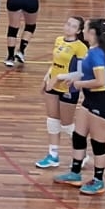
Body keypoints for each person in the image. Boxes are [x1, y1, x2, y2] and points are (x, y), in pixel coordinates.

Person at [53, 18, 105, 195]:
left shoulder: (97, 54)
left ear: (91, 33)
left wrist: (79, 85)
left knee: (98, 143)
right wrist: (73, 77)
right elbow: (86, 73)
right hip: (91, 100)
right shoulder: (93, 50)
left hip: (103, 102)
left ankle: (98, 181)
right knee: (78, 135)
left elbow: (101, 82)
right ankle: (75, 174)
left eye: (86, 29)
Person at [33, 16, 87, 169]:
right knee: (52, 120)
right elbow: (54, 64)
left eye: (73, 26)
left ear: (79, 30)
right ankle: (53, 155)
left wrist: (59, 78)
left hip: (68, 87)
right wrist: (46, 79)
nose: (69, 27)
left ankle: (81, 153)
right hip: (53, 85)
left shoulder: (80, 47)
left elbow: (80, 73)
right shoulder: (58, 40)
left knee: (67, 124)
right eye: (67, 24)